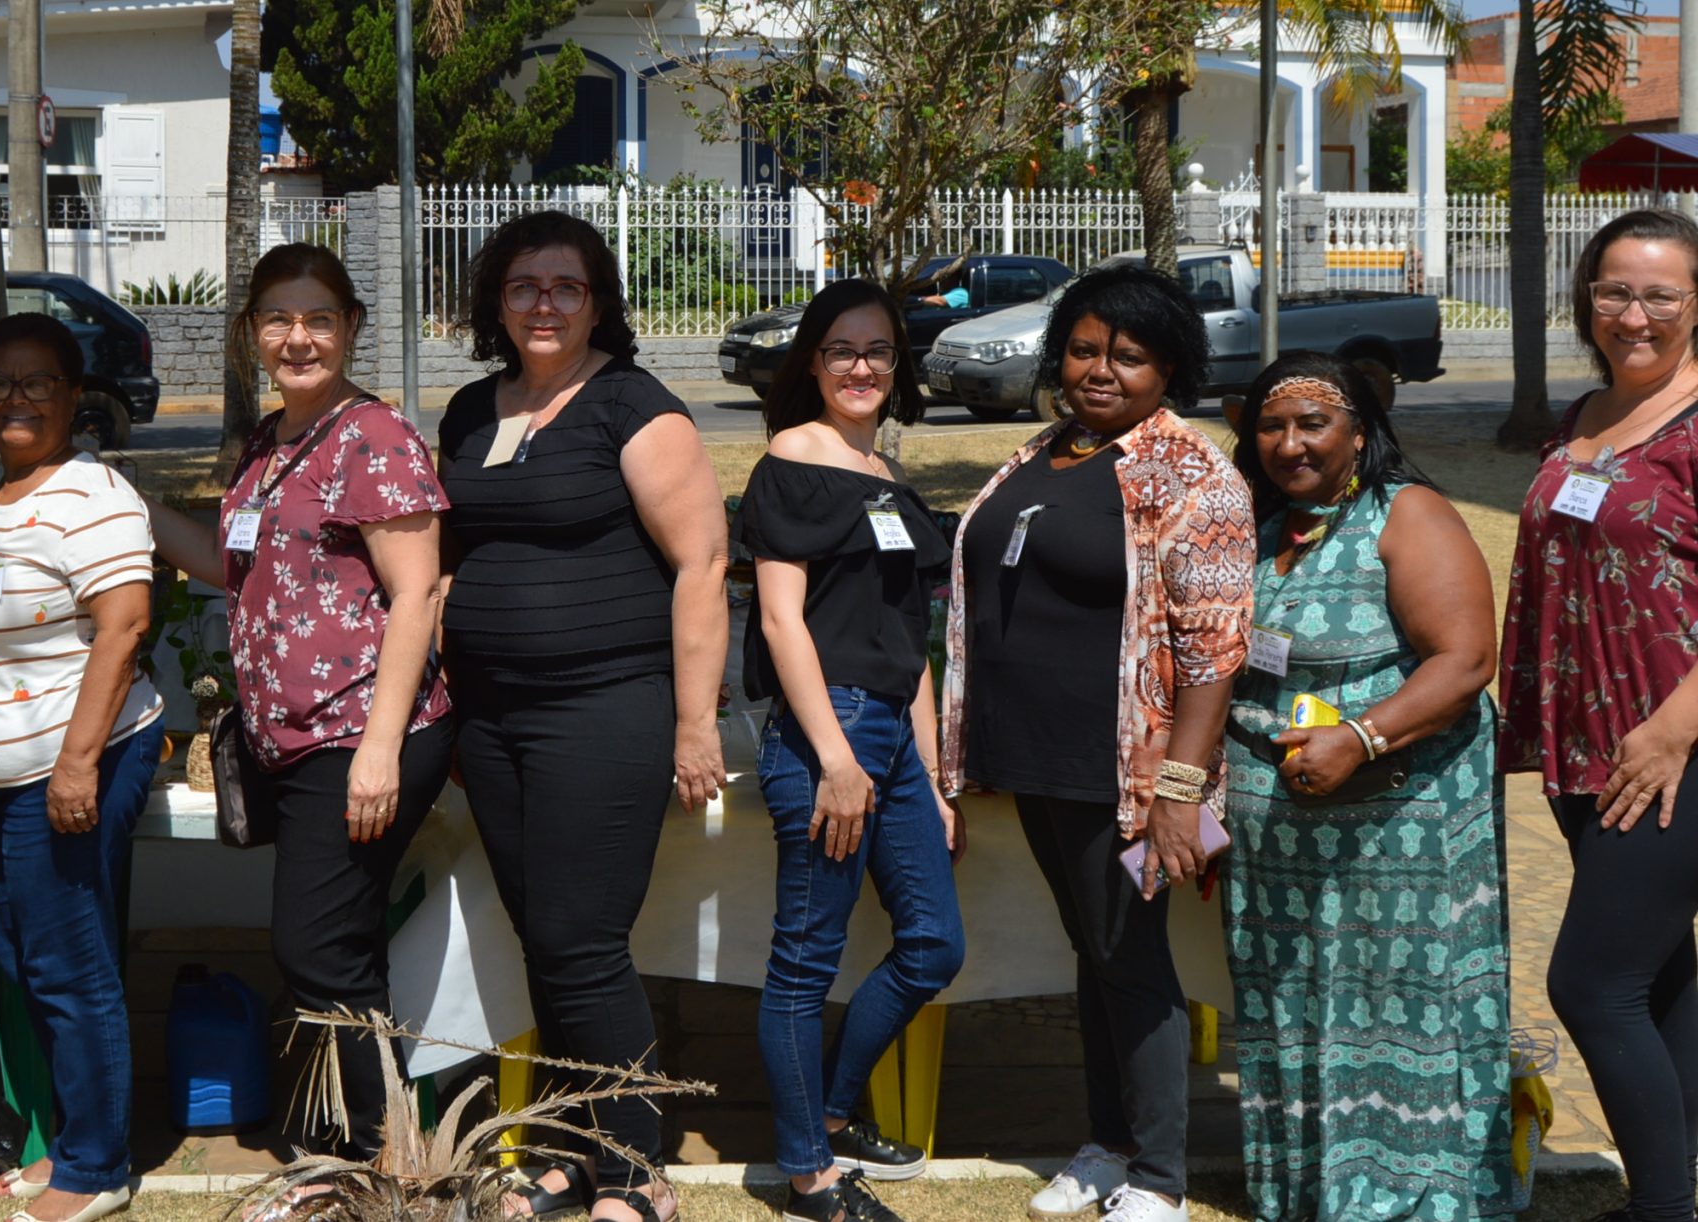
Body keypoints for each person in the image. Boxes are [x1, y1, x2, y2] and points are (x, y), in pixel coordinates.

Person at [1500, 208, 1698, 1222]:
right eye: (1613, 291)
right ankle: (1663, 1198)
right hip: (1594, 742)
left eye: (1658, 296)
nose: (1632, 315)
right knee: (1655, 974)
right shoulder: (1588, 412)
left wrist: (1672, 729)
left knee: (1592, 984)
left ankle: (1666, 1213)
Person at [937, 263, 1253, 1222]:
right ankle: (1110, 1144)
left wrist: (1180, 790)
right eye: (1082, 350)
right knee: (1093, 949)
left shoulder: (1191, 474)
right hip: (1035, 754)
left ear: (1170, 368)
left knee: (1129, 955)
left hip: (1123, 765)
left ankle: (1159, 1176)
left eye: (1130, 356)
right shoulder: (1052, 447)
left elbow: (1213, 652)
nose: (1101, 371)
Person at [434, 211, 728, 1222]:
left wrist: (695, 723)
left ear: (598, 300)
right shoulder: (471, 410)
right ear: (496, 302)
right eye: (523, 285)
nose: (544, 303)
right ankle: (571, 1152)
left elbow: (703, 563)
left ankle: (638, 1172)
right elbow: (454, 559)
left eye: (566, 285)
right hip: (493, 720)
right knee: (542, 940)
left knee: (581, 939)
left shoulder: (633, 407)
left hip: (604, 706)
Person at [147, 244, 454, 1186]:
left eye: (319, 318)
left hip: (359, 731)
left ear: (351, 326)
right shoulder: (272, 440)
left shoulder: (374, 437)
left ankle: (378, 1161)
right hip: (293, 737)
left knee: (317, 947)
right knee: (337, 949)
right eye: (278, 318)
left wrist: (378, 750)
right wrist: (133, 505)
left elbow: (418, 593)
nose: (298, 337)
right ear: (251, 332)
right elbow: (232, 564)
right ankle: (357, 1147)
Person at [1224, 352, 1513, 1222]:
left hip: (1397, 823)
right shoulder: (1266, 524)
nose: (1290, 444)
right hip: (1283, 842)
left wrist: (1360, 737)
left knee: (1393, 1003)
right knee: (1296, 1002)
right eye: (1271, 426)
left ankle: (1411, 1197)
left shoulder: (1405, 513)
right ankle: (1312, 1191)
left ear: (1359, 432)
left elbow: (1466, 659)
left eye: (1313, 423)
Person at [739, 279, 963, 1222]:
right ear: (812, 361)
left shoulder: (887, 473)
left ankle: (829, 1114)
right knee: (804, 963)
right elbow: (781, 620)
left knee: (935, 945)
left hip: (893, 732)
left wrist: (931, 777)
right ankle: (809, 1176)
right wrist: (835, 758)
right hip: (826, 727)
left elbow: (909, 639)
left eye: (878, 350)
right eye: (841, 349)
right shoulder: (793, 458)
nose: (861, 366)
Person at [0, 312, 164, 1222]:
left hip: (72, 763)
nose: (19, 398)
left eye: (40, 382)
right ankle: (67, 1142)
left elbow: (126, 625)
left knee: (70, 965)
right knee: (23, 961)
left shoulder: (94, 493)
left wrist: (75, 766)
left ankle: (97, 1166)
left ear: (74, 398)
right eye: (1, 381)